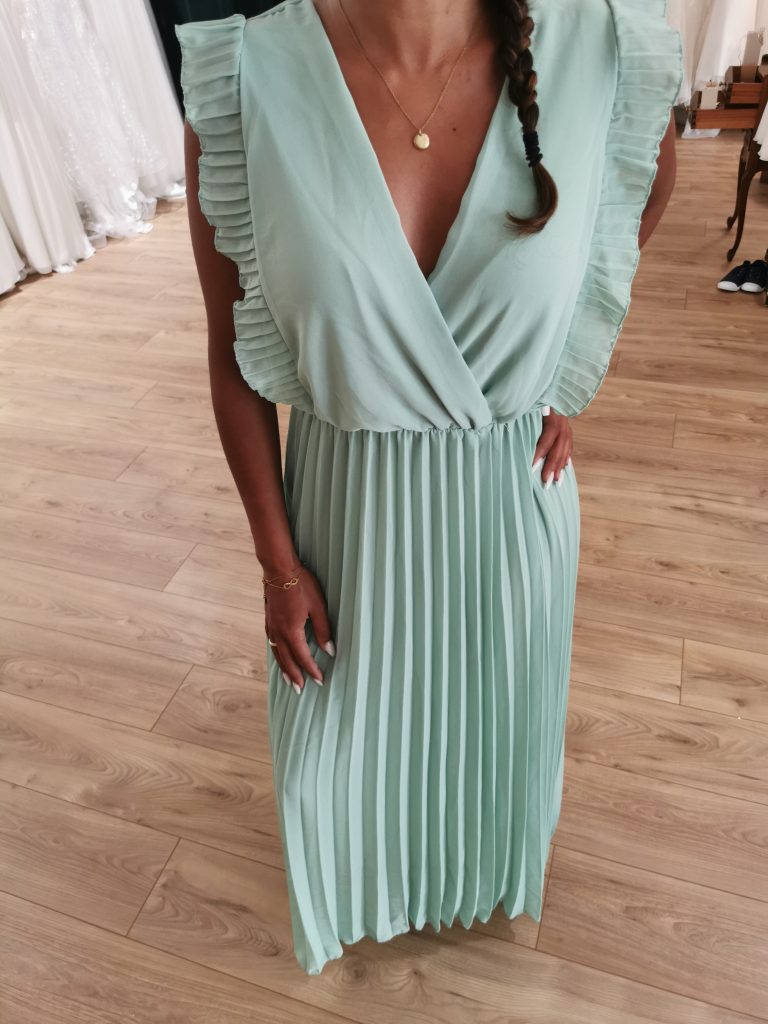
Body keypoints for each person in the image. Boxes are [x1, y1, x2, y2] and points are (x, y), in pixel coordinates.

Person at [175, 0, 682, 976]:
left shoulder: (599, 47)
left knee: (495, 745)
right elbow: (231, 351)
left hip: (510, 510)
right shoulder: (245, 78)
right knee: (334, 757)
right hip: (343, 519)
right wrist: (277, 565)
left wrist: (555, 360)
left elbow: (639, 197)